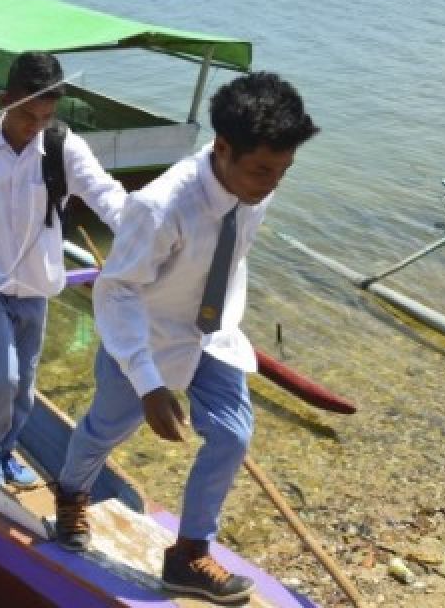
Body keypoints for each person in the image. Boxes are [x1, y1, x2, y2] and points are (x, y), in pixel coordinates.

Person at [53, 71, 319, 604]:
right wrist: (150, 384)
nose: (273, 183)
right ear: (222, 148)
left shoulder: (253, 188)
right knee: (106, 431)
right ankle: (70, 491)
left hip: (212, 333)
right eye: (263, 169)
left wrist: (218, 313)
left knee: (231, 435)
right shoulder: (160, 206)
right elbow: (117, 291)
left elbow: (232, 253)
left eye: (283, 170)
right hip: (144, 339)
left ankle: (189, 555)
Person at [0, 52, 126, 489]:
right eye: (26, 115)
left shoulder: (62, 147)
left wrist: (142, 232)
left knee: (25, 384)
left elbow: (104, 192)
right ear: (5, 99)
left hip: (36, 282)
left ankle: (8, 448)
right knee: (2, 376)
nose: (34, 126)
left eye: (45, 116)